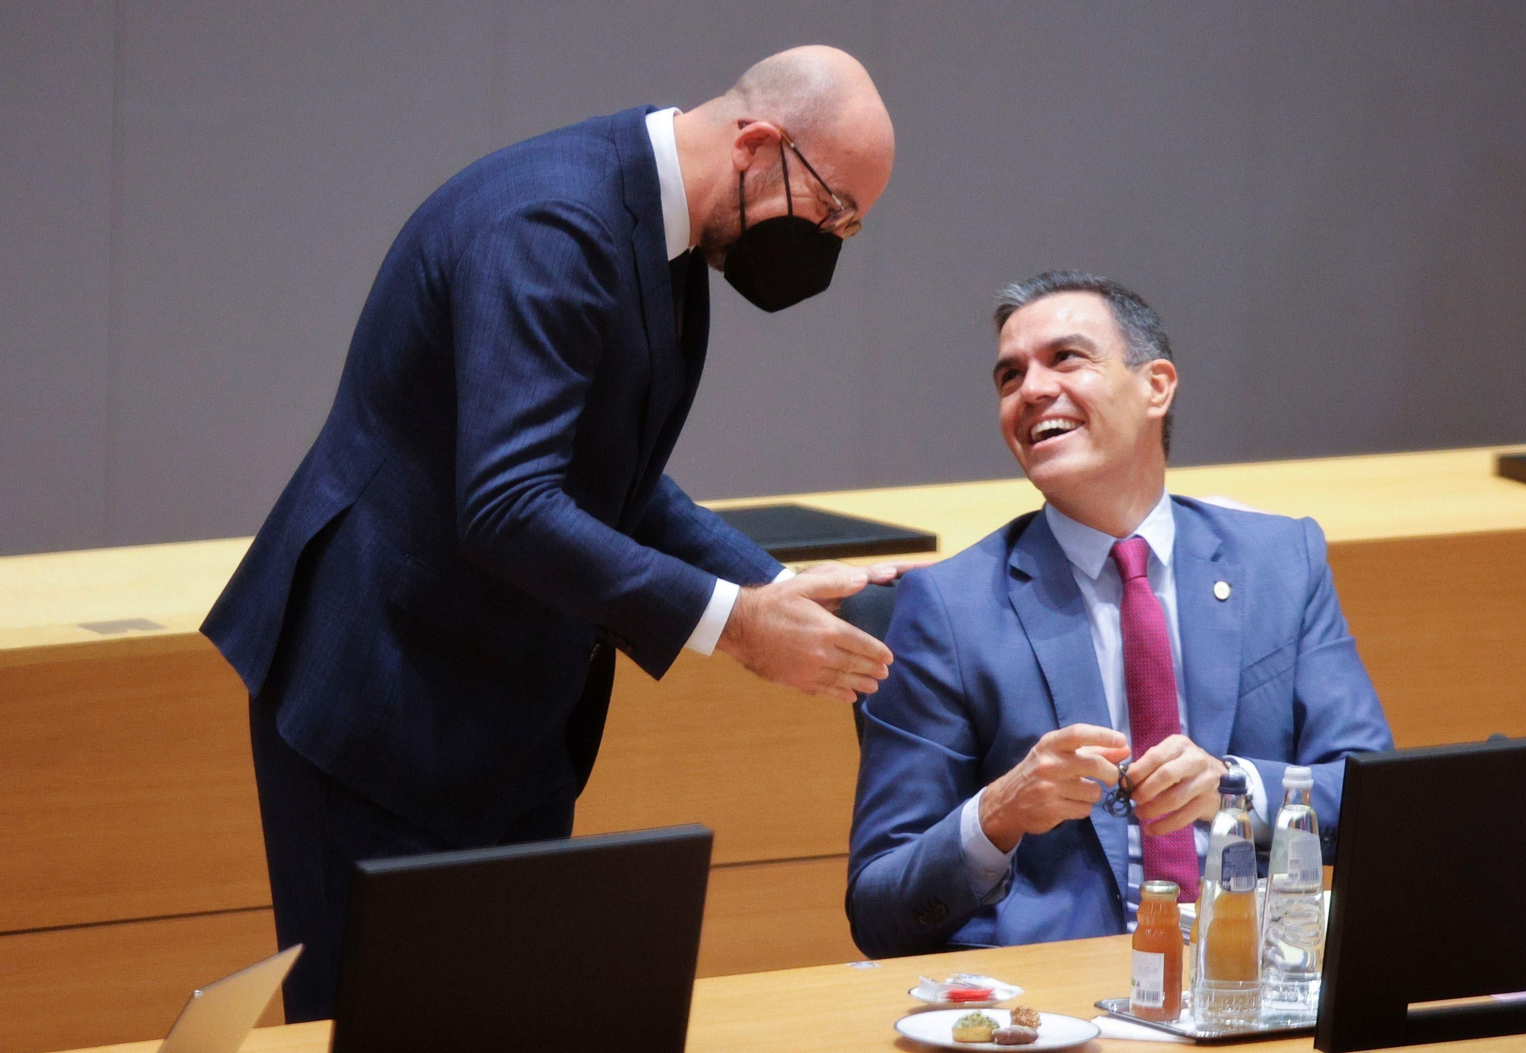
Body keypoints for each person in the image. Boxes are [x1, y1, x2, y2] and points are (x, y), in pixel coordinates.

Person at [202, 46, 899, 1020]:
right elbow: (509, 505)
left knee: (513, 1024)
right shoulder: (551, 226)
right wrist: (734, 625)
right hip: (378, 701)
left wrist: (776, 586)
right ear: (756, 144)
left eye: (848, 228)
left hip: (503, 710)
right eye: (828, 210)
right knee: (374, 1028)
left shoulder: (672, 233)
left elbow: (615, 483)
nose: (825, 242)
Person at [846, 271, 1392, 959]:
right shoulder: (949, 608)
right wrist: (998, 813)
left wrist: (1235, 786)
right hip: (1064, 995)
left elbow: (1377, 795)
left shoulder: (1281, 561)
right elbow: (878, 903)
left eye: (1065, 358)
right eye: (1010, 376)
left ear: (1156, 386)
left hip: (1252, 973)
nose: (1032, 389)